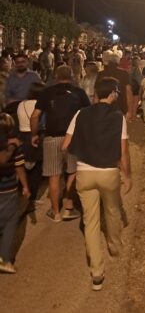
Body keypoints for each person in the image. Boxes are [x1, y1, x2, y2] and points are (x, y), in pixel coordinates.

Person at [62, 77, 132, 291]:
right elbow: (123, 151)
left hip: (84, 172)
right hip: (109, 172)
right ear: (111, 94)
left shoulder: (81, 114)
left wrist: (83, 150)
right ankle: (114, 246)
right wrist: (127, 175)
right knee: (112, 211)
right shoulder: (118, 117)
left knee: (90, 221)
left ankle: (97, 273)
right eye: (116, 92)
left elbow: (65, 145)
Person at [30, 65, 90, 222]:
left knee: (54, 175)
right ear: (72, 76)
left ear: (56, 76)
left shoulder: (47, 92)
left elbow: (35, 116)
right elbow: (87, 114)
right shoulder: (79, 92)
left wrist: (34, 134)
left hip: (51, 138)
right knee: (72, 172)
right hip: (73, 138)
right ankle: (69, 207)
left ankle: (55, 212)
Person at [0, 113, 30, 274]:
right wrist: (25, 186)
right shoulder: (14, 145)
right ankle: (4, 260)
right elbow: (19, 167)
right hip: (8, 189)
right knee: (9, 223)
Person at [17, 81, 46, 212]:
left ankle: (24, 194)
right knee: (36, 169)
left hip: (22, 136)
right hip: (35, 136)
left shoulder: (21, 104)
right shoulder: (39, 104)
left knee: (24, 167)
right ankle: (31, 199)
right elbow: (41, 123)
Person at [97, 52, 134, 122]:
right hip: (120, 108)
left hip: (103, 109)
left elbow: (96, 94)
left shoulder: (101, 74)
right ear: (118, 62)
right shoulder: (124, 73)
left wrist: (95, 109)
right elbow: (128, 92)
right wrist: (130, 111)